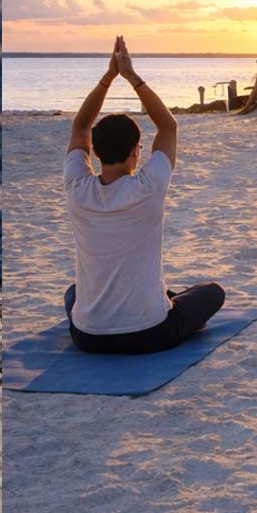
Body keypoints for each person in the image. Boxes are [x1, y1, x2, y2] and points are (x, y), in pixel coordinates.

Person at [61, 36, 225, 354]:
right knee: (212, 293)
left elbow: (80, 127)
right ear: (137, 153)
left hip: (88, 337)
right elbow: (168, 127)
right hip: (149, 334)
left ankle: (160, 297)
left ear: (94, 153)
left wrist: (108, 77)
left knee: (74, 292)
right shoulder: (147, 189)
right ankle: (165, 300)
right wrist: (131, 75)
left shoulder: (77, 188)